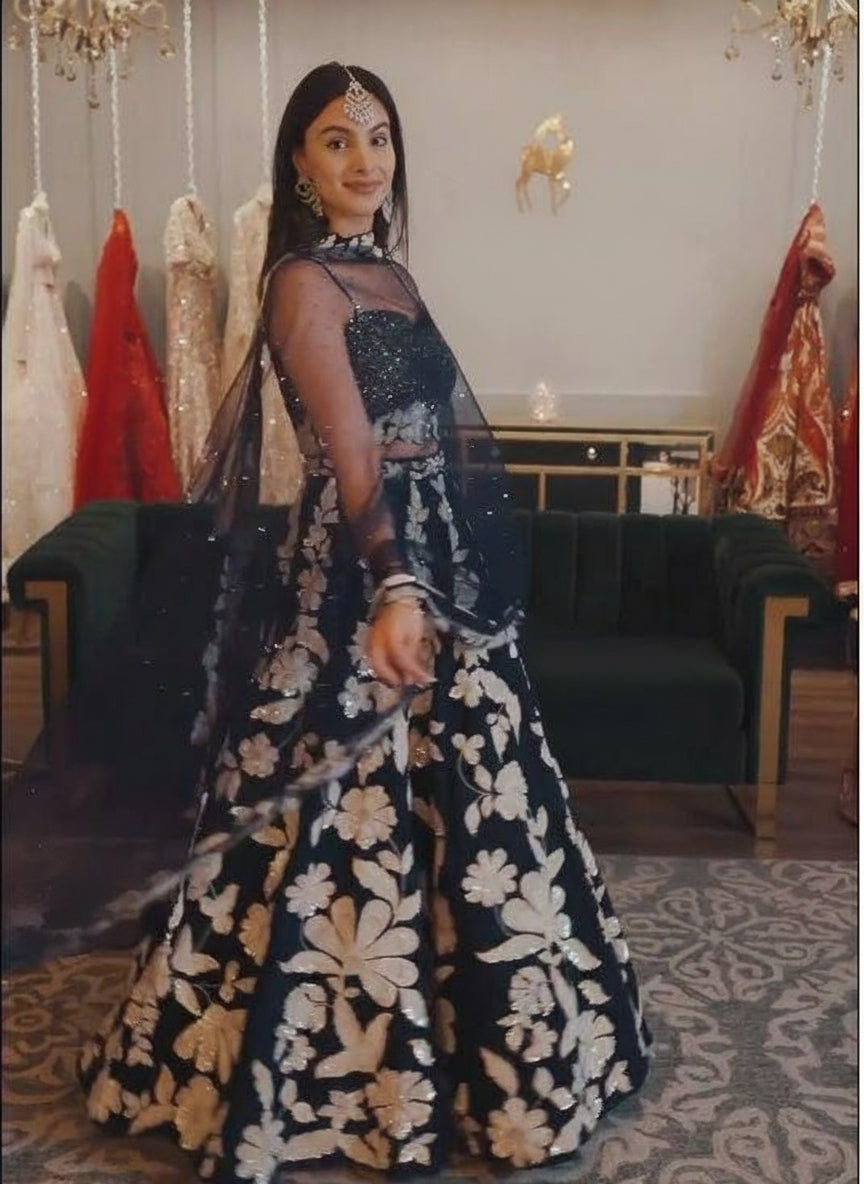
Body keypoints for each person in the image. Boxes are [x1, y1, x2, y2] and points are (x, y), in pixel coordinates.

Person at [78, 62, 651, 1180]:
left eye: (378, 137)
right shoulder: (302, 283)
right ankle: (321, 1064)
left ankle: (489, 1045)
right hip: (360, 565)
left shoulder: (386, 272)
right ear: (299, 161)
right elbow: (350, 454)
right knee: (328, 795)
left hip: (436, 555)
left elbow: (436, 425)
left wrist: (447, 565)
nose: (364, 160)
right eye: (337, 140)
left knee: (484, 801)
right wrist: (395, 585)